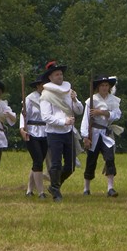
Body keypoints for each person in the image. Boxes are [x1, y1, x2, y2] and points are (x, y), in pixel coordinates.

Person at [39, 61, 83, 201]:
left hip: (68, 132)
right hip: (54, 133)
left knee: (70, 166)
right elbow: (46, 116)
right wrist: (63, 121)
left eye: (61, 74)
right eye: (57, 74)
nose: (60, 76)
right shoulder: (46, 95)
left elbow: (79, 110)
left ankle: (55, 186)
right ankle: (56, 191)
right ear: (50, 77)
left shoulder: (68, 91)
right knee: (56, 163)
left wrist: (75, 100)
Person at [80, 75, 122, 197]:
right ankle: (86, 188)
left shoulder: (113, 100)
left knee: (109, 158)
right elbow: (86, 119)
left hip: (106, 133)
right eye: (102, 85)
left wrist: (103, 112)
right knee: (91, 160)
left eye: (106, 85)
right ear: (98, 87)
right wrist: (85, 136)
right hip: (93, 133)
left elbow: (117, 115)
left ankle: (110, 188)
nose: (104, 87)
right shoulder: (91, 100)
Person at [21, 76, 48, 197]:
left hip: (46, 132)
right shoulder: (30, 99)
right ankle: (41, 191)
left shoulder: (50, 98)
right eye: (42, 84)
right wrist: (22, 128)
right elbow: (23, 115)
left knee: (39, 161)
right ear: (38, 86)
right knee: (38, 160)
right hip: (32, 132)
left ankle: (29, 190)